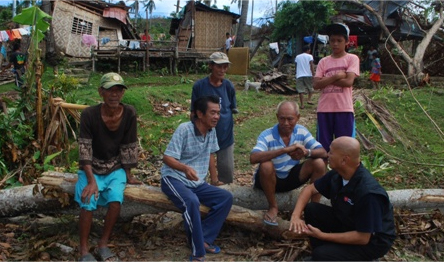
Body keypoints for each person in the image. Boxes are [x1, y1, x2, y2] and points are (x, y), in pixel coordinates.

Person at [289, 136, 396, 261]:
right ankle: (328, 254)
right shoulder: (338, 174)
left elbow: (363, 237)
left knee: (321, 254)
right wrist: (295, 216)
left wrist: (322, 236)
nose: (327, 155)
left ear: (344, 160)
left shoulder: (368, 193)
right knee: (312, 209)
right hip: (349, 222)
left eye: (331, 152)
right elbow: (309, 189)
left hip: (371, 241)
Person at [75, 72, 142, 262]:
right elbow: (85, 149)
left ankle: (103, 243)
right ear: (101, 92)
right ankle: (84, 250)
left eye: (118, 90)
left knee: (115, 200)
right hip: (91, 167)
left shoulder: (129, 112)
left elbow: (129, 144)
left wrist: (128, 174)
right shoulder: (89, 114)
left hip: (115, 166)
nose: (114, 95)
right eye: (109, 91)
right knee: (88, 199)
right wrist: (90, 181)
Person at [161, 95, 233, 262]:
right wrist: (185, 168)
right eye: (213, 113)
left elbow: (210, 155)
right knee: (191, 202)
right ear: (200, 114)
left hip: (196, 182)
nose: (216, 117)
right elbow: (167, 158)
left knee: (225, 198)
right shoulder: (184, 129)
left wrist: (214, 180)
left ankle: (205, 238)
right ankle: (197, 252)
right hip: (174, 178)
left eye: (218, 113)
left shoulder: (211, 131)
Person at [250, 101, 327, 226]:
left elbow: (323, 152)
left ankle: (314, 207)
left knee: (318, 163)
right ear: (277, 117)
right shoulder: (267, 135)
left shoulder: (301, 131)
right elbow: (253, 158)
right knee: (266, 165)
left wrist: (306, 152)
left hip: (290, 178)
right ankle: (273, 207)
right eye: (282, 119)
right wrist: (284, 150)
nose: (286, 123)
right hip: (269, 180)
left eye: (290, 119)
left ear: (298, 117)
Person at [191, 52, 238, 185]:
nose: (222, 70)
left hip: (225, 136)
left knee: (227, 173)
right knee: (200, 173)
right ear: (211, 66)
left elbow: (232, 108)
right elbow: (193, 113)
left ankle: (226, 199)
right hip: (204, 137)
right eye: (219, 66)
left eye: (225, 67)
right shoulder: (199, 87)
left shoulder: (228, 86)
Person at [313, 23, 360, 152]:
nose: (335, 44)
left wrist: (326, 80)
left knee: (345, 147)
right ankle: (324, 171)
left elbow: (348, 81)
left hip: (344, 109)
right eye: (332, 40)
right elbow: (316, 84)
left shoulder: (352, 59)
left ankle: (342, 172)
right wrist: (337, 76)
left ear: (347, 42)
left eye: (339, 41)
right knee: (323, 147)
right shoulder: (324, 61)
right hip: (324, 109)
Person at [295, 45, 315, 109]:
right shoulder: (310, 56)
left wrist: (296, 72)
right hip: (308, 74)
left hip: (299, 75)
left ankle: (302, 105)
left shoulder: (298, 57)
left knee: (301, 91)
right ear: (308, 50)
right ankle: (309, 99)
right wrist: (313, 74)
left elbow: (296, 65)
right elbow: (311, 65)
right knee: (310, 88)